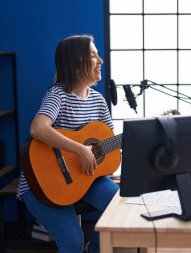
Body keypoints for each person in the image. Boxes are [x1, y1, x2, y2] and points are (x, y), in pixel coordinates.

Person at [16, 34, 119, 253]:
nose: (100, 61)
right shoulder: (58, 95)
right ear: (75, 65)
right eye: (93, 55)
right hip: (42, 184)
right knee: (72, 243)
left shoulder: (98, 100)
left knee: (118, 209)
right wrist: (80, 149)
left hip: (85, 178)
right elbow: (38, 128)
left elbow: (111, 145)